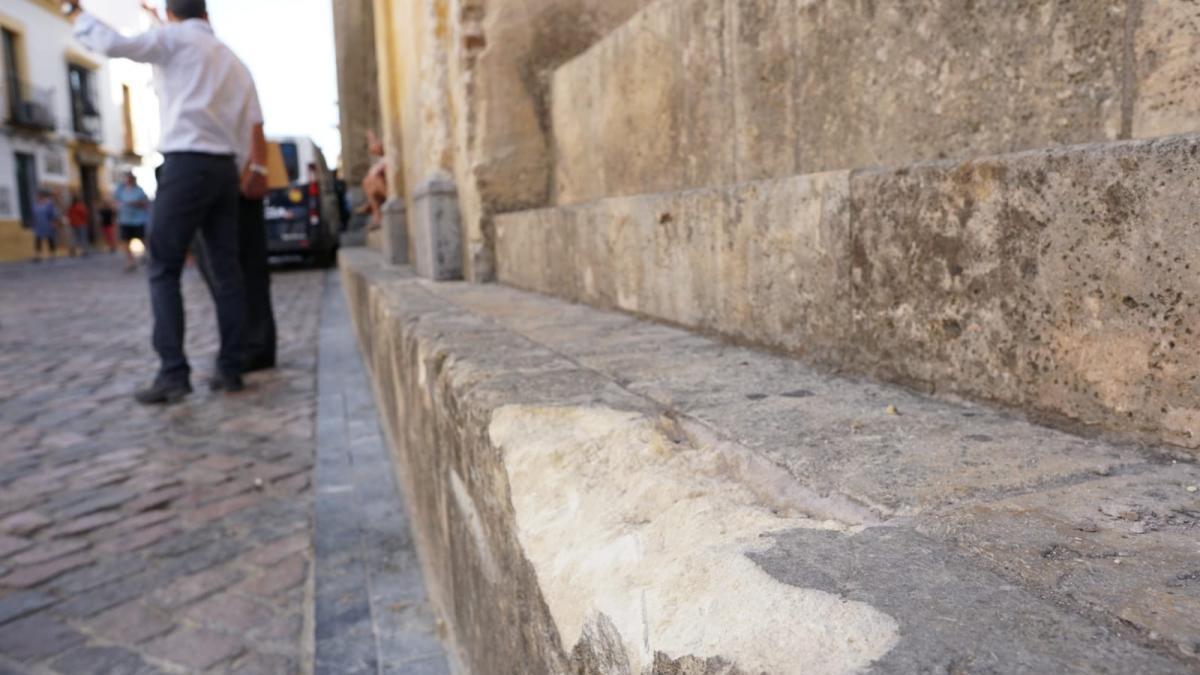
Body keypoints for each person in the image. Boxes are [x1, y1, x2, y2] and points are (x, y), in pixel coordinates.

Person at [70, 0, 269, 405]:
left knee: (162, 264)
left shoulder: (174, 40)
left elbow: (113, 44)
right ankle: (231, 368)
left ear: (172, 13)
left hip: (186, 163)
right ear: (205, 15)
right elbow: (254, 121)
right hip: (224, 171)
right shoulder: (233, 60)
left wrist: (78, 14)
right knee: (227, 270)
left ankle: (173, 372)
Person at [114, 172, 151, 271]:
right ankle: (130, 261)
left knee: (143, 239)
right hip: (125, 220)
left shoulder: (139, 191)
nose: (128, 180)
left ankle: (149, 256)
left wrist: (135, 203)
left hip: (138, 220)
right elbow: (115, 202)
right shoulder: (120, 190)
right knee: (126, 241)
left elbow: (146, 203)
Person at [30, 189, 60, 263]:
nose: (38, 197)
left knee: (50, 239)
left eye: (39, 196)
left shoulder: (49, 204)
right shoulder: (35, 205)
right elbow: (33, 215)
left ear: (43, 196)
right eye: (37, 196)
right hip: (38, 225)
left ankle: (52, 254)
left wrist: (54, 222)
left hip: (48, 224)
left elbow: (53, 213)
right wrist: (33, 223)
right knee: (38, 240)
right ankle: (38, 255)